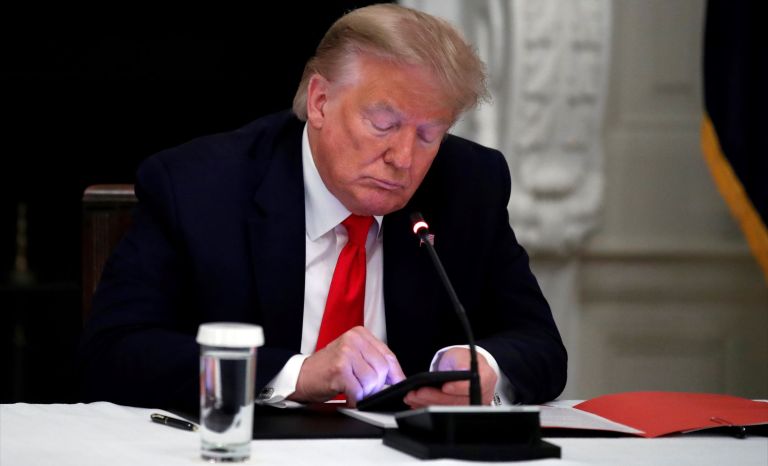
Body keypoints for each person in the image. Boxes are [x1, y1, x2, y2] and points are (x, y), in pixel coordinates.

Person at [79, 4, 567, 413]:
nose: (403, 158)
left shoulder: (468, 185)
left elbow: (541, 345)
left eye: (428, 134)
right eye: (383, 123)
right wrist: (295, 373)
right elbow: (114, 353)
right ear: (319, 101)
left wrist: (486, 366)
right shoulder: (200, 186)